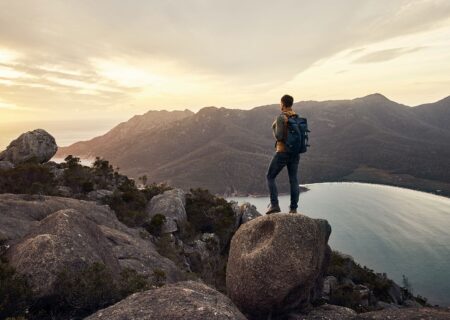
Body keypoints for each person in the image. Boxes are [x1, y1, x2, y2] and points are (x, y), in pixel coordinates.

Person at [265, 94, 300, 214]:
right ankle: (293, 208)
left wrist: (273, 128)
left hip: (282, 152)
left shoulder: (281, 118)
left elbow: (279, 136)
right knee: (293, 180)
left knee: (270, 176)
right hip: (295, 153)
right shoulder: (296, 116)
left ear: (283, 104)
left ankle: (274, 205)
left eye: (280, 103)